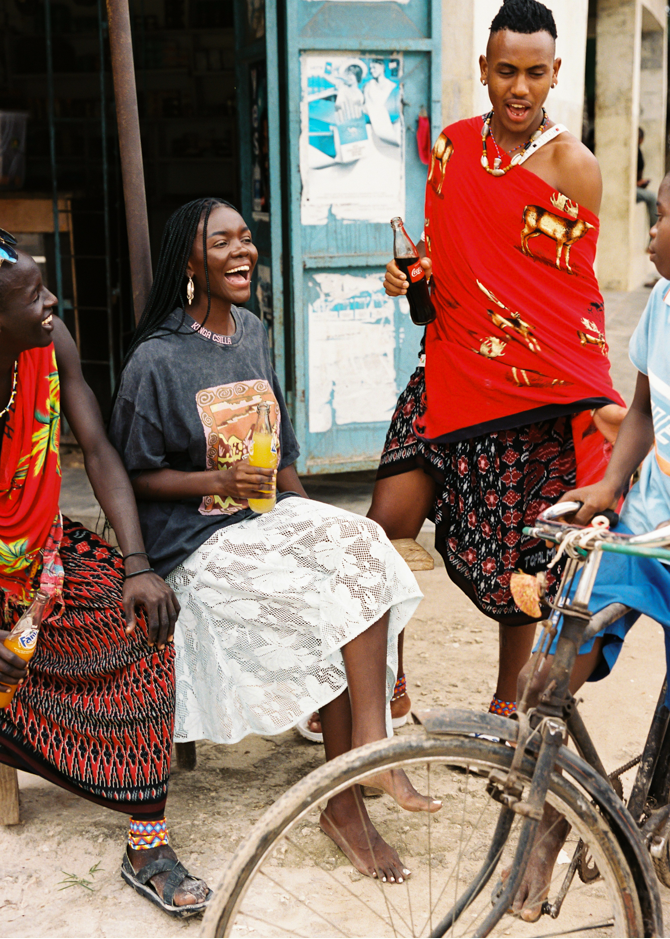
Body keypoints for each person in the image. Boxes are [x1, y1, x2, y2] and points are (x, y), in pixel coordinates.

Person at [109, 197, 441, 885]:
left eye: (247, 238)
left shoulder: (256, 332)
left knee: (362, 545)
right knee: (330, 594)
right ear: (191, 262)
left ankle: (365, 755)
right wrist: (217, 477)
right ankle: (348, 796)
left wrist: (314, 520)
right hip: (198, 541)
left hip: (265, 518)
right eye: (221, 241)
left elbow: (282, 450)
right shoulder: (156, 359)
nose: (242, 251)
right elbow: (136, 475)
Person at [375, 0, 627, 725]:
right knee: (383, 527)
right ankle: (384, 687)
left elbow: (571, 300)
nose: (520, 87)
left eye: (535, 73)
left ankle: (509, 702)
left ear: (555, 75)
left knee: (526, 557)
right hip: (448, 373)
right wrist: (412, 281)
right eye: (506, 71)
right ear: (483, 71)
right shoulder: (452, 148)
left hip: (532, 394)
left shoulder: (574, 167)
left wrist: (585, 392)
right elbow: (444, 275)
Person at [0, 237, 210, 916]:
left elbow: (96, 448)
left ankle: (147, 844)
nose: (53, 303)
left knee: (145, 627)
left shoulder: (48, 340)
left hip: (43, 556)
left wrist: (138, 565)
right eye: (34, 295)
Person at [510, 170, 670, 921]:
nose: (651, 231)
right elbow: (642, 405)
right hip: (644, 528)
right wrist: (609, 486)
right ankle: (547, 824)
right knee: (548, 671)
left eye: (663, 217)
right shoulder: (663, 300)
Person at [636, 126, 658, 228]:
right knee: (652, 198)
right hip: (628, 188)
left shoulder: (637, 151)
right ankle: (655, 234)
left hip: (635, 187)